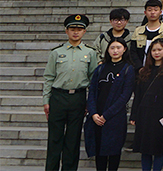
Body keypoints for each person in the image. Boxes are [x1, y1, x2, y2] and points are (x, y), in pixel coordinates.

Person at [44, 14, 100, 171]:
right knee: (54, 139)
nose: (76, 32)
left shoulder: (90, 53)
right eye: (72, 29)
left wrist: (90, 103)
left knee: (73, 140)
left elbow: (93, 80)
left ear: (84, 32)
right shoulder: (56, 52)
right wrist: (46, 101)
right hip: (58, 97)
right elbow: (49, 77)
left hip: (78, 98)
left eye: (79, 29)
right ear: (66, 31)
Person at [84, 37, 136, 171]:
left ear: (124, 49)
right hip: (97, 115)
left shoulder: (128, 69)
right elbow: (92, 91)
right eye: (112, 48)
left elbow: (125, 96)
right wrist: (93, 113)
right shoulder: (100, 68)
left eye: (118, 48)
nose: (115, 51)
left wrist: (106, 115)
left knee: (113, 152)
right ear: (107, 50)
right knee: (99, 151)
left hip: (115, 117)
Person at [132, 38, 163, 171]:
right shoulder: (144, 71)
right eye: (154, 50)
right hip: (144, 113)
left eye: (160, 50)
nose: (156, 53)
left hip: (160, 114)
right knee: (144, 148)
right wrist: (134, 115)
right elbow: (138, 95)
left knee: (157, 148)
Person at [131, 0, 163, 68]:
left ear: (160, 12)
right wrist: (139, 68)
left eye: (156, 10)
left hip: (161, 68)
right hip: (141, 69)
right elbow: (133, 52)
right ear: (145, 12)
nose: (152, 12)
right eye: (149, 10)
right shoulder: (138, 31)